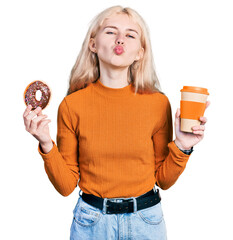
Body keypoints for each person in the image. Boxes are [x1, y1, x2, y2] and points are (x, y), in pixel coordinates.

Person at [23, 5, 209, 240]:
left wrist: (183, 146)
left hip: (146, 222)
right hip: (91, 223)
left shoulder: (158, 103)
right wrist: (46, 144)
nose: (120, 38)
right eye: (111, 32)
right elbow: (66, 186)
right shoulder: (72, 106)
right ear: (93, 44)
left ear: (140, 52)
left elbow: (163, 179)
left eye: (130, 35)